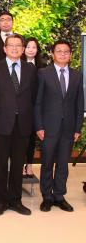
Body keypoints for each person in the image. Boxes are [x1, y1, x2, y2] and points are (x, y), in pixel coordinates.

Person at [0, 33, 37, 216]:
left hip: (23, 124)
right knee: (0, 165)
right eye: (11, 45)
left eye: (18, 46)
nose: (14, 48)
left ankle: (16, 200)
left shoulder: (30, 69)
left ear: (23, 49)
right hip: (2, 123)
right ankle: (0, 202)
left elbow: (34, 97)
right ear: (5, 49)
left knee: (17, 164)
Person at [35, 40, 83, 212]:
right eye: (59, 51)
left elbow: (79, 104)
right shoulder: (43, 73)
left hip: (69, 128)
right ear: (53, 54)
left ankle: (59, 196)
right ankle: (47, 196)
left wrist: (78, 128)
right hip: (48, 127)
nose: (63, 54)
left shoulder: (77, 75)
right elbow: (38, 103)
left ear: (70, 55)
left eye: (66, 52)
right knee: (47, 162)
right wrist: (39, 126)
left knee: (63, 163)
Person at [22, 37, 46, 178]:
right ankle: (19, 164)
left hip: (35, 108)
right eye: (28, 47)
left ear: (37, 50)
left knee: (31, 139)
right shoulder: (17, 64)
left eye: (34, 47)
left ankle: (29, 165)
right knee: (20, 138)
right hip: (20, 107)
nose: (31, 50)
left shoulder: (42, 67)